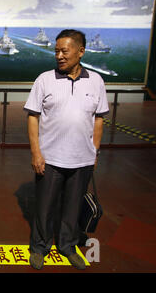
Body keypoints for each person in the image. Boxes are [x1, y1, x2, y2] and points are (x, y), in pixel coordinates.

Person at [23, 29, 109, 270]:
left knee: (73, 207)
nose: (59, 56)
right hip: (50, 158)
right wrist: (36, 153)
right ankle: (39, 247)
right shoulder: (44, 80)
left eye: (65, 51)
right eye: (56, 51)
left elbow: (99, 118)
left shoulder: (96, 81)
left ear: (81, 51)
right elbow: (33, 117)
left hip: (82, 159)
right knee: (44, 207)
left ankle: (67, 246)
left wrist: (95, 151)